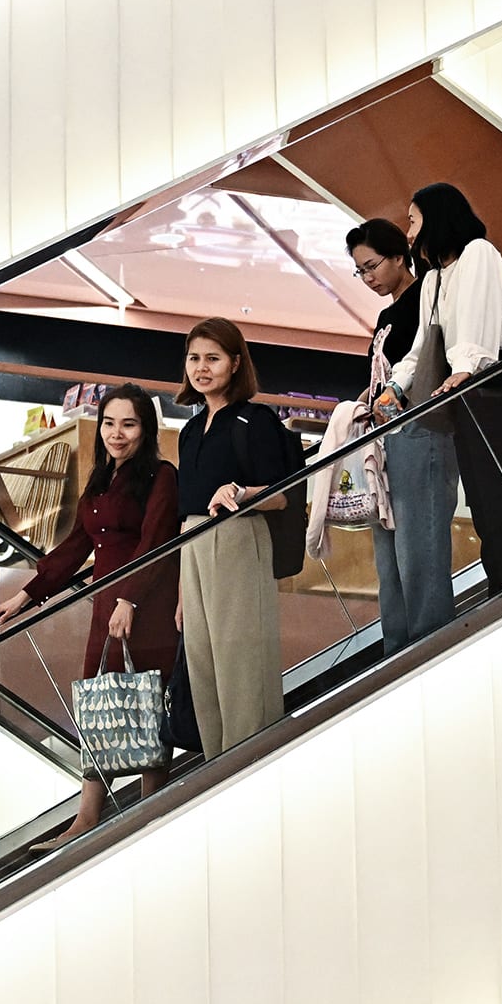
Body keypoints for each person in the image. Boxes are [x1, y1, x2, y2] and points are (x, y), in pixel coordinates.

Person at [0, 384, 181, 843]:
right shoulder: (101, 478)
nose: (117, 434)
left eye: (129, 424)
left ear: (145, 429)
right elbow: (77, 545)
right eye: (110, 423)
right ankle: (86, 819)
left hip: (143, 604)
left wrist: (129, 599)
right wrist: (27, 594)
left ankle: (149, 813)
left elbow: (155, 542)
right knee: (101, 706)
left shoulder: (161, 475)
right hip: (106, 604)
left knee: (143, 705)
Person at [375, 185, 502, 601]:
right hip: (466, 393)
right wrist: (395, 386)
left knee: (500, 498)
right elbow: (422, 346)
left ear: (437, 216)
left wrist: (465, 367)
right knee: (484, 507)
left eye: (413, 220)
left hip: (499, 387)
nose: (409, 232)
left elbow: (479, 325)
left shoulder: (479, 254)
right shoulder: (433, 278)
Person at [174, 318, 302, 754]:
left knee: (241, 664)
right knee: (203, 665)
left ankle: (247, 760)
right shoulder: (190, 430)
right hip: (192, 543)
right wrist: (179, 592)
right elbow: (184, 509)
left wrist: (240, 492)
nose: (202, 367)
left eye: (213, 358)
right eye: (194, 358)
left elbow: (283, 496)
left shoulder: (255, 419)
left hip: (237, 537)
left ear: (235, 362)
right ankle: (215, 765)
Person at [347, 218, 446, 649]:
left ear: (399, 256)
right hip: (386, 437)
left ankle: (427, 647)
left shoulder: (428, 292)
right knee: (389, 559)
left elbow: (426, 357)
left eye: (372, 266)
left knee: (418, 548)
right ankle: (396, 649)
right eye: (360, 271)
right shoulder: (388, 313)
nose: (368, 278)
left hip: (420, 429)